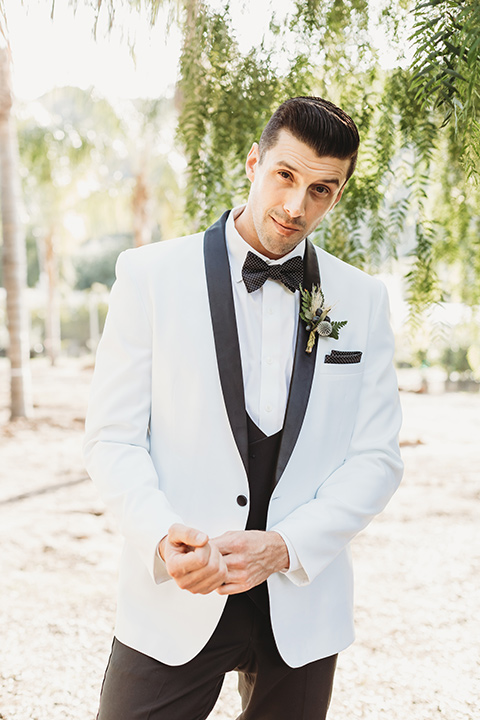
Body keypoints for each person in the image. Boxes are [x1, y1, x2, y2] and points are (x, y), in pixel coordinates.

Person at [83, 96, 403, 720]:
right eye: (285, 175)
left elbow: (376, 458)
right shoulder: (150, 276)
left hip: (301, 602)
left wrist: (284, 546)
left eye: (321, 190)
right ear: (254, 161)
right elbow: (112, 439)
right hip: (180, 595)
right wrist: (160, 534)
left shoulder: (360, 300)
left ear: (338, 194)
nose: (296, 206)